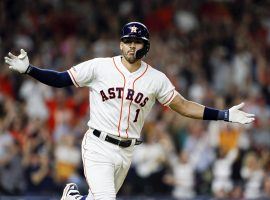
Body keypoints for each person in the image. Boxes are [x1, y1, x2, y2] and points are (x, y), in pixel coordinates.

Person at [4, 22, 255, 200]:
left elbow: (182, 106)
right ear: (120, 44)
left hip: (127, 151)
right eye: (127, 41)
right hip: (98, 145)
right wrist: (30, 70)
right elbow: (61, 78)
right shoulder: (100, 67)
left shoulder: (156, 79)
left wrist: (224, 114)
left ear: (145, 46)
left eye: (137, 41)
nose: (131, 46)